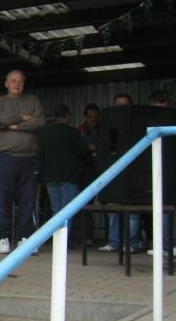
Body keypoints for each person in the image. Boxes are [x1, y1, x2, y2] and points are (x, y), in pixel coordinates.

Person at [0, 69, 45, 254]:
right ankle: (3, 237)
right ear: (6, 83)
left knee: (29, 199)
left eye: (20, 81)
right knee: (3, 198)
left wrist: (12, 126)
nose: (17, 84)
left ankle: (26, 238)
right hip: (6, 156)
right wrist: (23, 117)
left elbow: (40, 123)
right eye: (13, 81)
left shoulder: (33, 100)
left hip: (30, 157)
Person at [98, 93, 143, 253]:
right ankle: (114, 242)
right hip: (115, 171)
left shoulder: (137, 124)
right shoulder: (109, 125)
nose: (121, 109)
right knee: (112, 208)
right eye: (118, 106)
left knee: (132, 211)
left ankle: (132, 243)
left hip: (133, 172)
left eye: (124, 106)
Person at [39, 104, 90, 242]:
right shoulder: (71, 132)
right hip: (68, 176)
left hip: (50, 176)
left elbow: (40, 155)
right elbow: (83, 151)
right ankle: (64, 241)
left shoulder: (44, 133)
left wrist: (41, 174)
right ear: (67, 115)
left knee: (56, 210)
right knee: (67, 210)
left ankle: (58, 241)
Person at [146, 89, 176, 258]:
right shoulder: (153, 123)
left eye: (160, 103)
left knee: (168, 207)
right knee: (161, 208)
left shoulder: (173, 123)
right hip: (159, 168)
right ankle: (164, 244)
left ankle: (173, 244)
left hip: (169, 169)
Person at [77, 103, 101, 243]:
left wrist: (96, 147)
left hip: (102, 169)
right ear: (85, 117)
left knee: (108, 202)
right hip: (86, 171)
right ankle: (88, 237)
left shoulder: (103, 129)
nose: (93, 119)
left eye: (95, 116)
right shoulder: (80, 130)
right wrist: (86, 147)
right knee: (86, 203)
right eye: (90, 116)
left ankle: (112, 239)